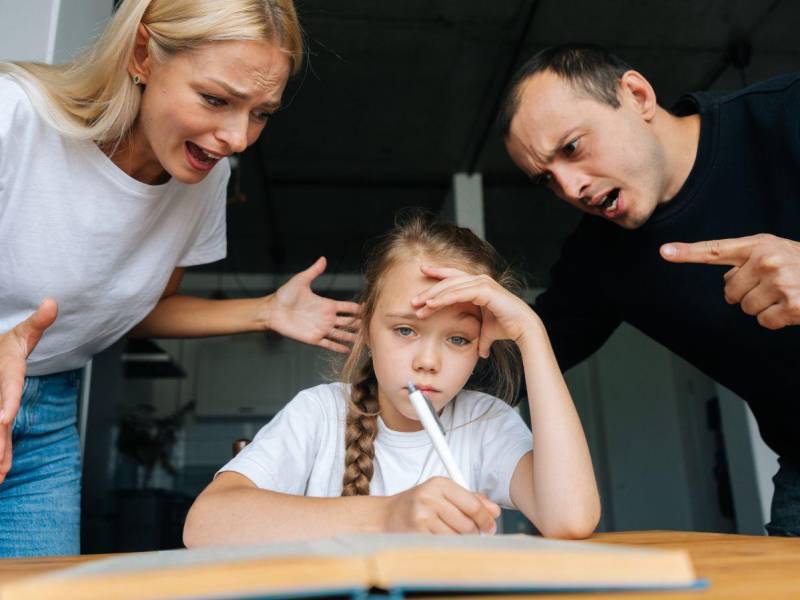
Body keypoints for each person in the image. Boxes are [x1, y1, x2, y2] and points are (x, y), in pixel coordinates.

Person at [0, 0, 360, 557]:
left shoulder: (201, 179)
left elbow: (138, 311)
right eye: (216, 99)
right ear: (142, 54)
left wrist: (265, 311)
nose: (238, 138)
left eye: (262, 112)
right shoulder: (16, 117)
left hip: (47, 418)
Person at [500, 44, 800, 535]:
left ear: (637, 95)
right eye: (547, 179)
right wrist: (392, 330)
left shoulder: (787, 114)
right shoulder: (598, 257)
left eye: (573, 147)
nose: (571, 188)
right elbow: (512, 360)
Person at [183, 212, 600, 546]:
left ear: (482, 344)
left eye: (458, 338)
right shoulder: (321, 414)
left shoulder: (484, 422)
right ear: (367, 329)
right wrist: (388, 515)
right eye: (405, 330)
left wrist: (533, 335)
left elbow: (571, 519)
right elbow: (205, 525)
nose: (428, 361)